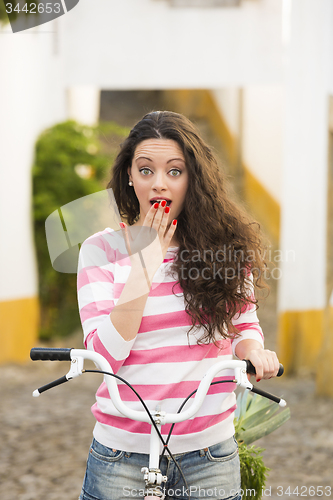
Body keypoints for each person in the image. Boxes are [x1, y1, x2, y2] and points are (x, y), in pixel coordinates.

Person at [77, 111, 280, 500]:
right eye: (145, 169)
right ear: (129, 177)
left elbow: (244, 326)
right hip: (121, 454)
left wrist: (255, 353)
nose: (159, 183)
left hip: (209, 452)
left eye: (175, 171)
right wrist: (145, 265)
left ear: (193, 180)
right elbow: (105, 355)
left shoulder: (225, 250)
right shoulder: (100, 251)